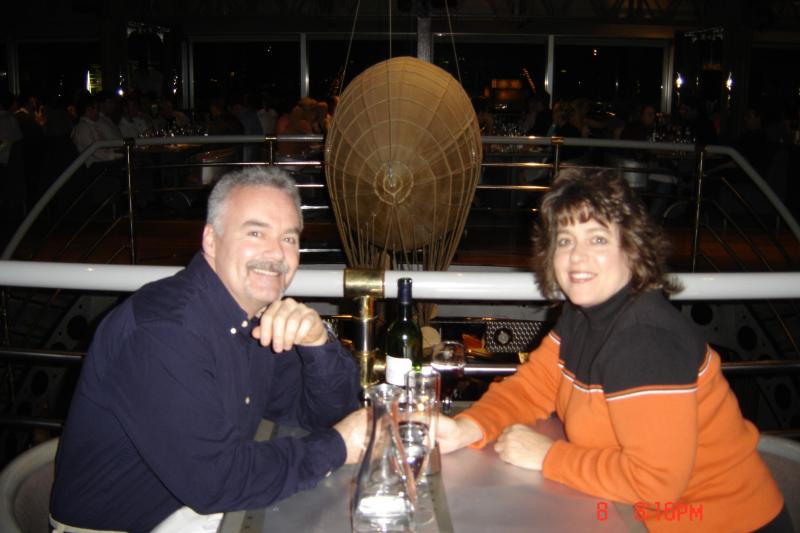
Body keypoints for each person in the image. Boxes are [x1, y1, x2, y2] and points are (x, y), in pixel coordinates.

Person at [437, 169, 792, 533]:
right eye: (565, 241)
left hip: (718, 522)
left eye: (598, 239)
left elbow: (655, 485)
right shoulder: (582, 313)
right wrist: (469, 427)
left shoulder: (645, 340)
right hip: (629, 515)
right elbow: (533, 387)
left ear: (631, 249)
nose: (577, 257)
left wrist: (548, 456)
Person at [50, 166, 366, 533]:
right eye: (255, 232)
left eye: (289, 238)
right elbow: (218, 482)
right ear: (211, 241)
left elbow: (323, 416)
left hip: (194, 511)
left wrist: (317, 344)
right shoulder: (163, 332)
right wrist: (340, 446)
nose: (276, 253)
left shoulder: (255, 320)